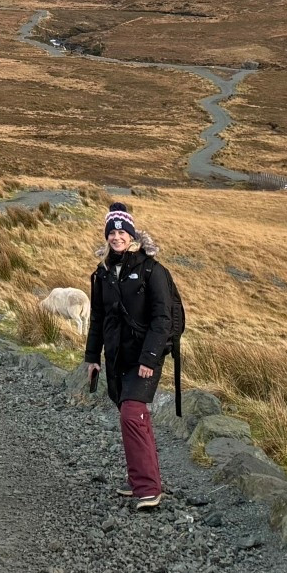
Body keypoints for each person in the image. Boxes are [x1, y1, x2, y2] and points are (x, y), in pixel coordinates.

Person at [82, 204, 181, 510]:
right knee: (133, 416)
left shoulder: (151, 270)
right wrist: (92, 357)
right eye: (111, 232)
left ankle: (149, 489)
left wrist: (149, 358)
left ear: (132, 235)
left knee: (132, 413)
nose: (117, 237)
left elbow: (162, 318)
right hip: (117, 357)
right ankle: (140, 479)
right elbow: (98, 318)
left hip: (145, 357)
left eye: (122, 232)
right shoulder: (102, 273)